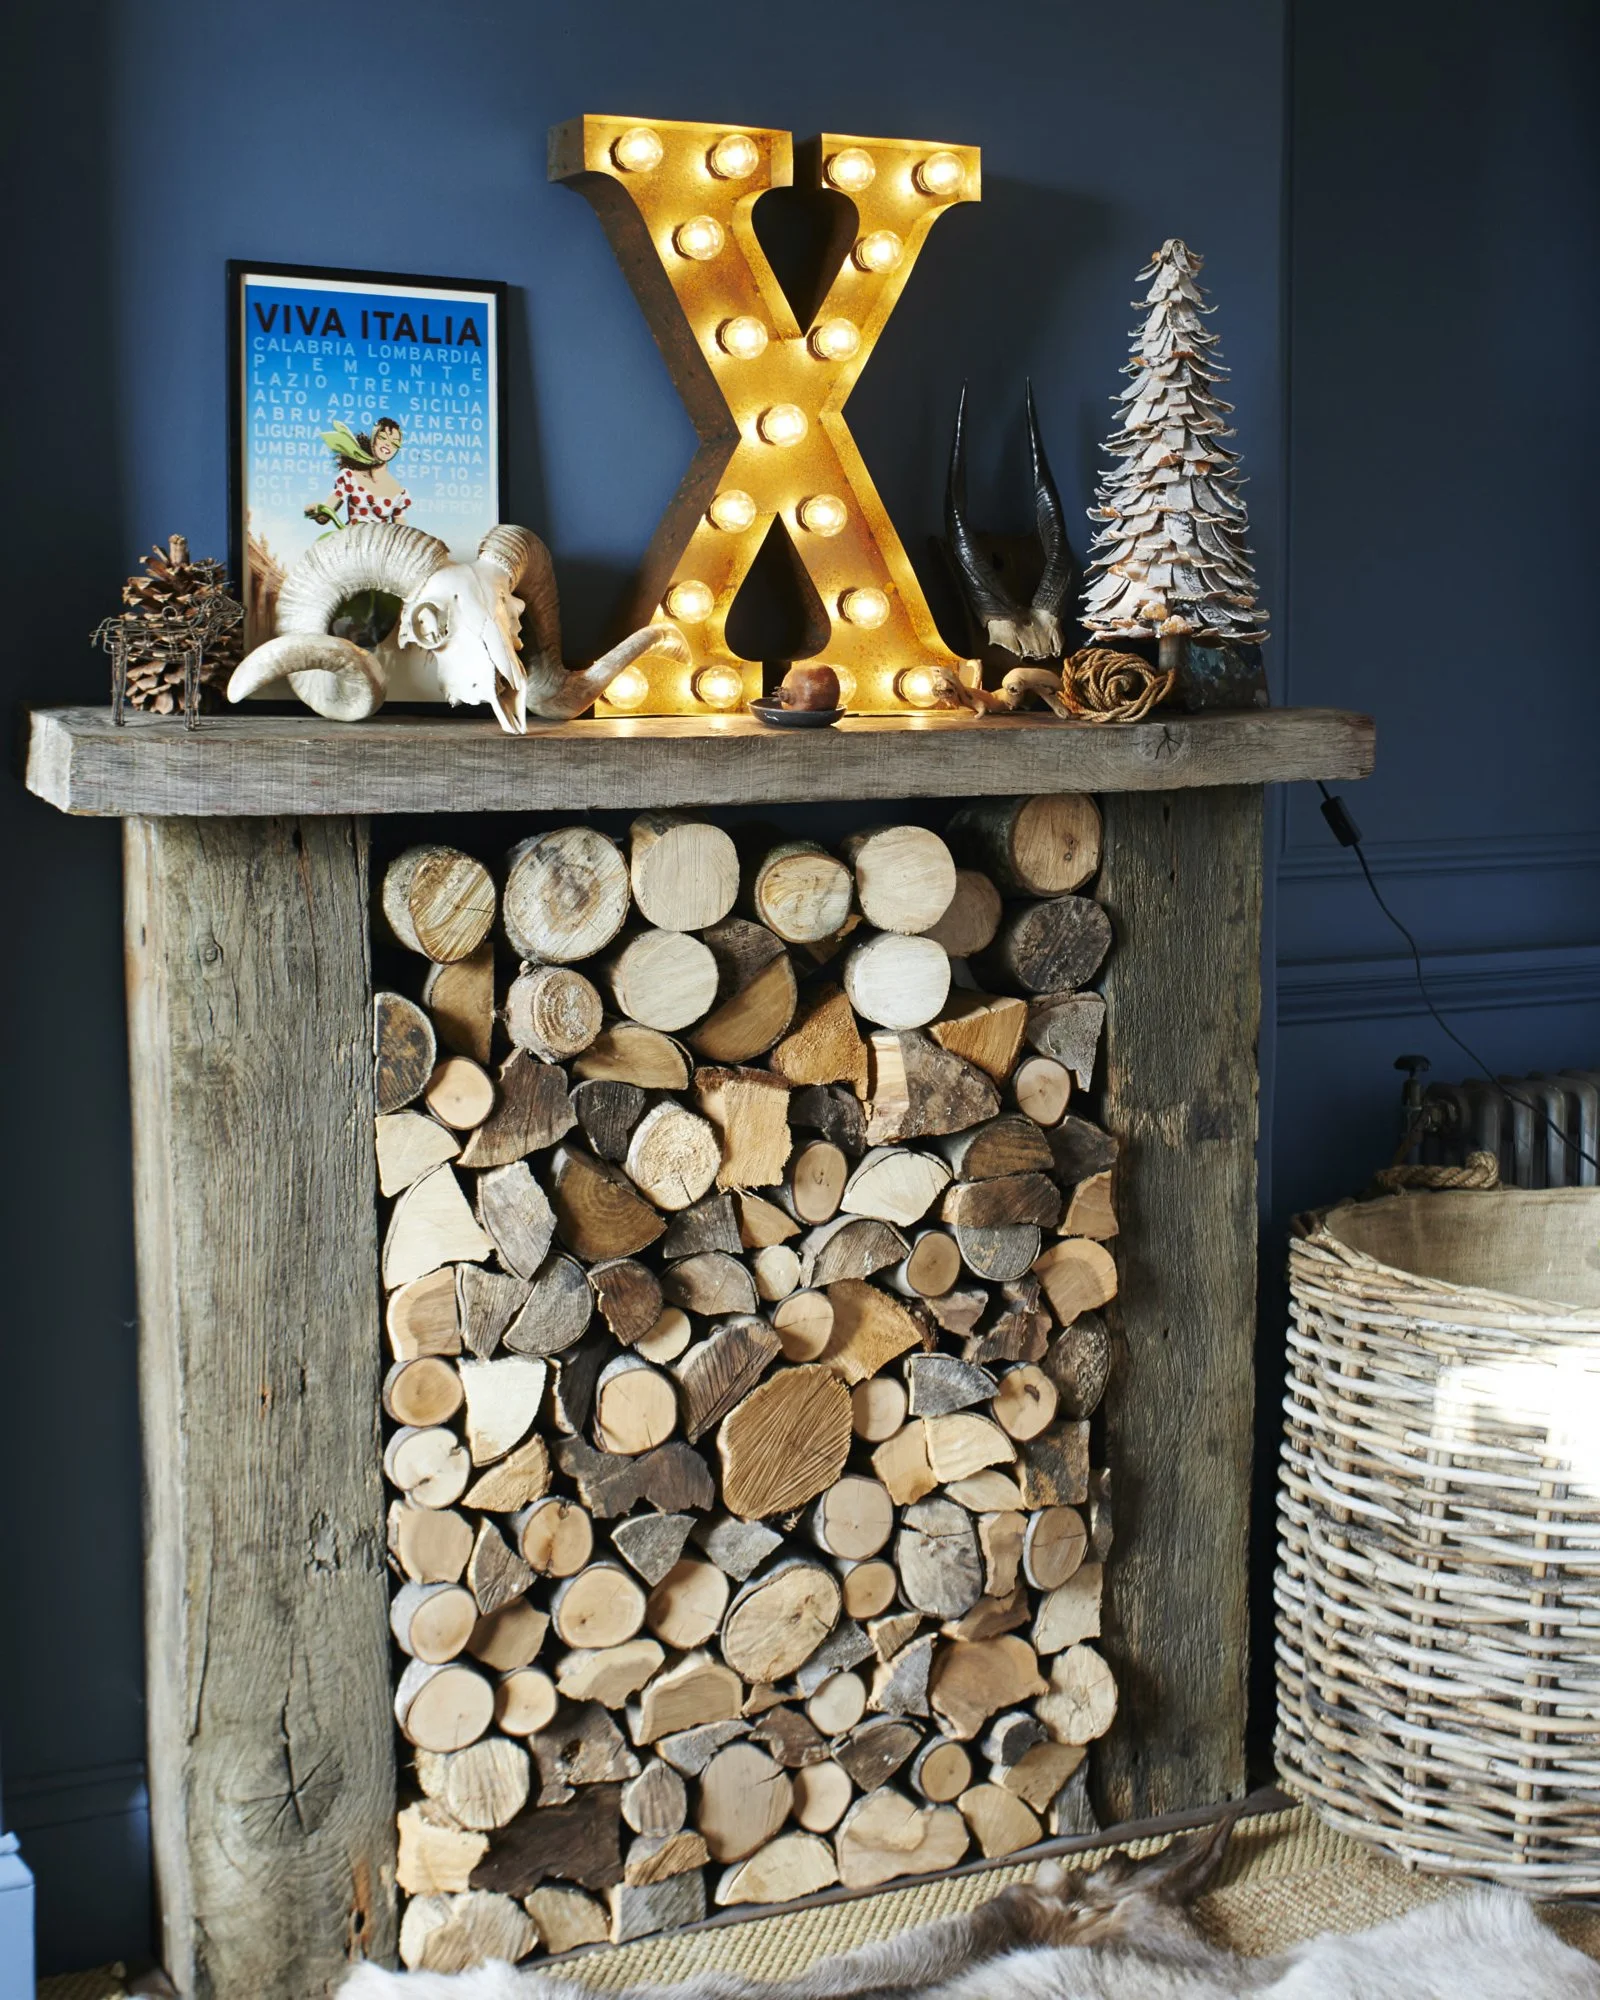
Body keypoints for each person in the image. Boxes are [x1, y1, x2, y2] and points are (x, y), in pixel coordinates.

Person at [306, 417, 411, 527]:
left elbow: (401, 532)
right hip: (351, 539)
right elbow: (325, 516)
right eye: (382, 437)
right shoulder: (350, 477)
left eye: (394, 443)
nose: (388, 444)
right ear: (373, 439)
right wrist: (315, 510)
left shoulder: (399, 492)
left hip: (378, 543)